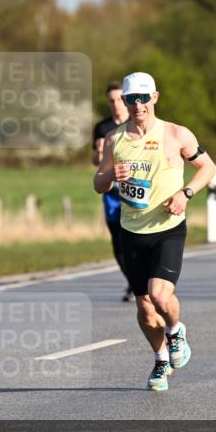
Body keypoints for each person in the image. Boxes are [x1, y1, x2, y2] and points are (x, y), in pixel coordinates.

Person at [94, 72, 216, 392]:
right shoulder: (114, 139)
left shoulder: (176, 134)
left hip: (167, 228)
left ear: (155, 98)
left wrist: (185, 194)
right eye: (131, 99)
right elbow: (98, 184)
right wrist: (109, 174)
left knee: (161, 296)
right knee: (145, 309)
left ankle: (176, 332)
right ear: (124, 101)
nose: (138, 105)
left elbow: (208, 168)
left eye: (143, 98)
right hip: (131, 231)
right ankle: (160, 360)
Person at [92, 82, 132, 301]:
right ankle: (133, 283)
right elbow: (96, 163)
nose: (116, 105)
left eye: (119, 100)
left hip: (134, 191)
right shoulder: (102, 128)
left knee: (136, 238)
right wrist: (99, 152)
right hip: (112, 195)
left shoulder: (135, 123)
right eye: (111, 101)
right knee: (118, 242)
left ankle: (143, 283)